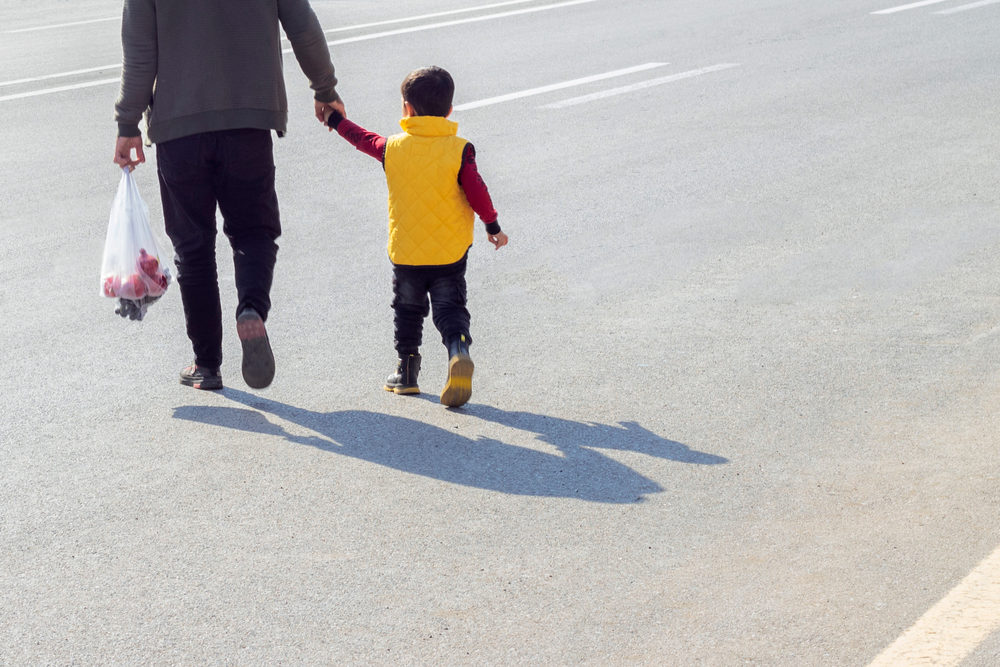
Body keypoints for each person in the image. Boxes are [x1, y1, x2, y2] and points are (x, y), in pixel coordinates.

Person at [113, 0, 345, 391]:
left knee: (193, 248)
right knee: (254, 232)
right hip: (249, 120)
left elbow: (139, 54)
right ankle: (251, 306)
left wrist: (127, 122)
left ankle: (206, 365)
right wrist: (325, 88)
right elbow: (303, 26)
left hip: (178, 127)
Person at [323, 66, 507, 408]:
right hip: (449, 252)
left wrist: (335, 121)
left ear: (406, 108)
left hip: (407, 252)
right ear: (449, 110)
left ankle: (406, 374)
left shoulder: (392, 147)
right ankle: (457, 350)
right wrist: (492, 225)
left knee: (407, 310)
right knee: (450, 306)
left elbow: (363, 138)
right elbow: (476, 191)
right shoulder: (460, 149)